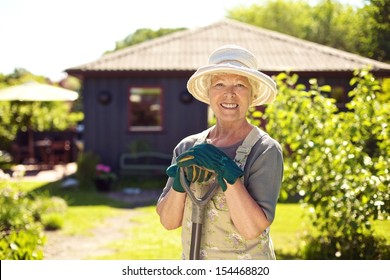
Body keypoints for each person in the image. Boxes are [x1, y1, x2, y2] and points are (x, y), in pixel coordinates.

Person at [156, 44, 283, 260]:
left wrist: (229, 174)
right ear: (209, 93)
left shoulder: (264, 150)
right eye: (220, 84)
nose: (229, 94)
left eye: (240, 85)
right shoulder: (187, 147)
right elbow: (168, 222)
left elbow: (252, 229)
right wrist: (179, 183)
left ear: (252, 96)